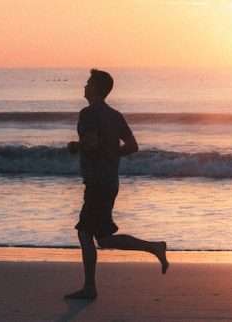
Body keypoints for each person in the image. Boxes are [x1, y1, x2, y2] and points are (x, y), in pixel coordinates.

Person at [65, 69, 168, 300]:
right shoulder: (115, 115)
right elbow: (132, 146)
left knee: (84, 232)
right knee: (102, 238)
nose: (84, 86)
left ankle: (90, 288)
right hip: (110, 181)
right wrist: (112, 155)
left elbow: (90, 143)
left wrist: (76, 146)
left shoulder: (88, 113)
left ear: (96, 89)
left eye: (88, 82)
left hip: (97, 182)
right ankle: (154, 247)